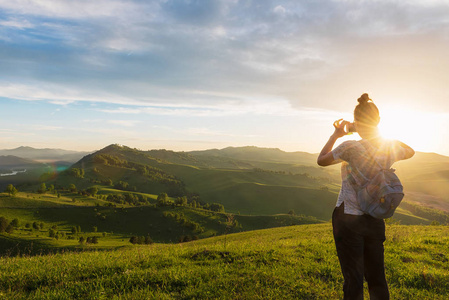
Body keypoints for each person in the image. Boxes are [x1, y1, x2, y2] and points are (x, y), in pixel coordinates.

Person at [317, 93, 414, 300]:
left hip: (348, 218)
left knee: (354, 280)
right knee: (377, 278)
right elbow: (410, 150)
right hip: (376, 215)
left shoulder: (350, 147)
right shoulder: (388, 148)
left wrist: (336, 135)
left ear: (356, 122)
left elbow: (321, 160)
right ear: (378, 121)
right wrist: (377, 132)